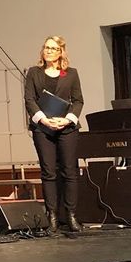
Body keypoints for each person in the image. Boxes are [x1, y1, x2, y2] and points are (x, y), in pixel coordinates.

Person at [23, 36, 84, 233]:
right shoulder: (34, 73)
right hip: (43, 128)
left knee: (70, 171)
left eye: (53, 48)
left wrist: (67, 119)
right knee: (48, 172)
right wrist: (43, 119)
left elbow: (78, 101)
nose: (48, 51)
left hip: (66, 128)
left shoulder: (71, 74)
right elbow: (29, 99)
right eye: (46, 48)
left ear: (60, 52)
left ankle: (72, 216)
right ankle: (52, 217)